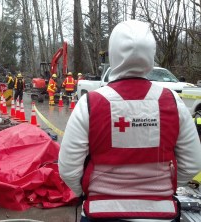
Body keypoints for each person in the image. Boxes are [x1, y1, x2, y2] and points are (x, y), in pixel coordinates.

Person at [58, 20, 201, 222]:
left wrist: (90, 192)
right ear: (150, 56)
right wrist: (162, 188)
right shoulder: (173, 103)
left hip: (100, 211)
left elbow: (68, 168)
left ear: (114, 54)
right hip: (161, 213)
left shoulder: (89, 104)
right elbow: (192, 162)